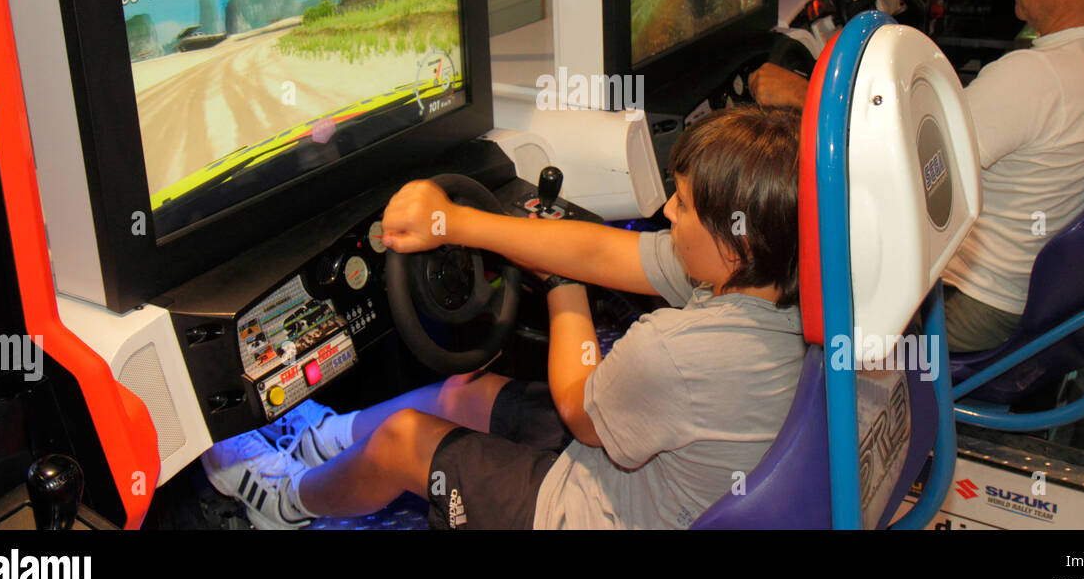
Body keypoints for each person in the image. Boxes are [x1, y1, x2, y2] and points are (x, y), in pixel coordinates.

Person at [202, 106, 807, 529]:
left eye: (685, 204)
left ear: (735, 241)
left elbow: (577, 403)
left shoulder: (676, 354)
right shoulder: (774, 274)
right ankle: (324, 440)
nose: (668, 212)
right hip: (656, 472)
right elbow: (604, 251)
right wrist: (454, 222)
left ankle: (282, 503)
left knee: (402, 443)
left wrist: (563, 287)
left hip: (601, 514)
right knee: (466, 393)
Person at [749, 0, 1084, 352]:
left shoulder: (1036, 79)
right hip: (1033, 294)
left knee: (773, 288)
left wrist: (802, 94)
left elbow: (896, 168)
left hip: (975, 307)